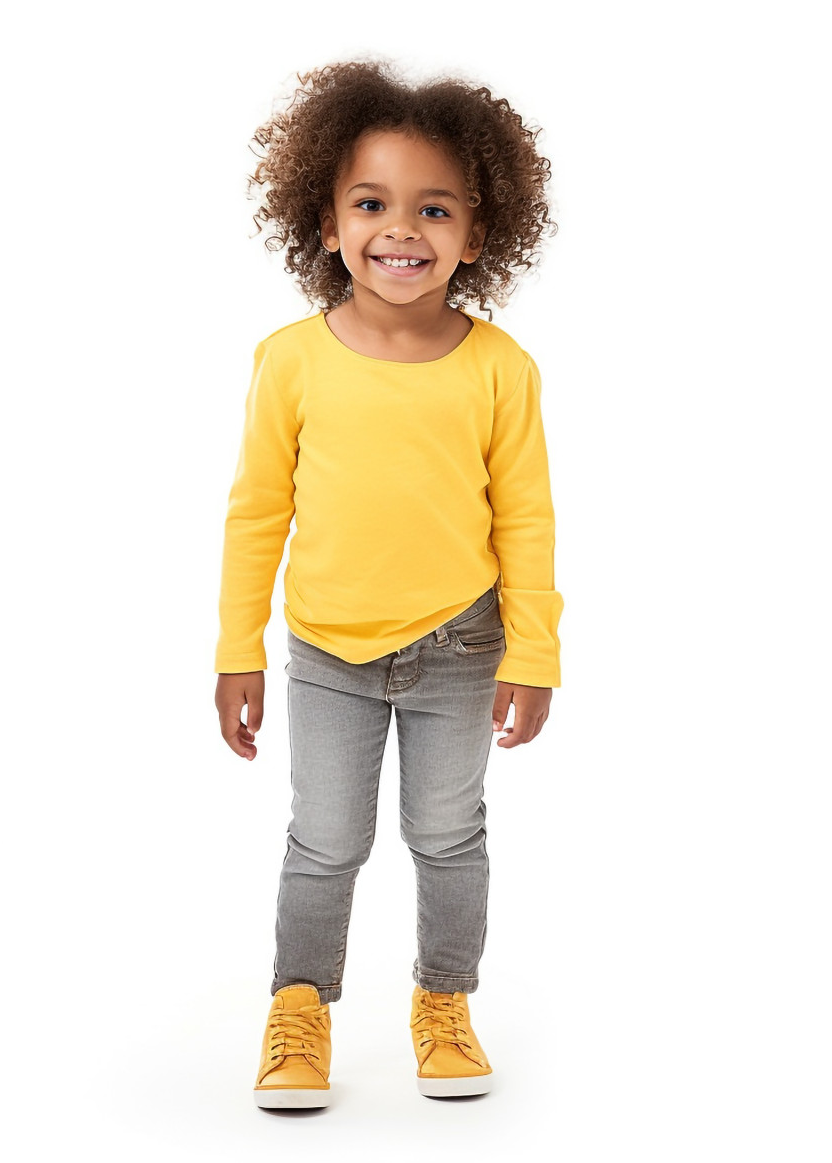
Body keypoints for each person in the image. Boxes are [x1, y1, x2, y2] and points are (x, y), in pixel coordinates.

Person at [213, 60, 563, 1108]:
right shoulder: (289, 361)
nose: (398, 230)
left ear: (475, 233)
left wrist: (533, 653)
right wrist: (238, 648)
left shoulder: (500, 367)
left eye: (432, 208)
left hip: (461, 647)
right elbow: (255, 511)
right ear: (322, 223)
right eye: (369, 203)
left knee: (448, 837)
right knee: (324, 839)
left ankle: (443, 1002)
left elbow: (525, 520)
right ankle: (298, 1009)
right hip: (326, 653)